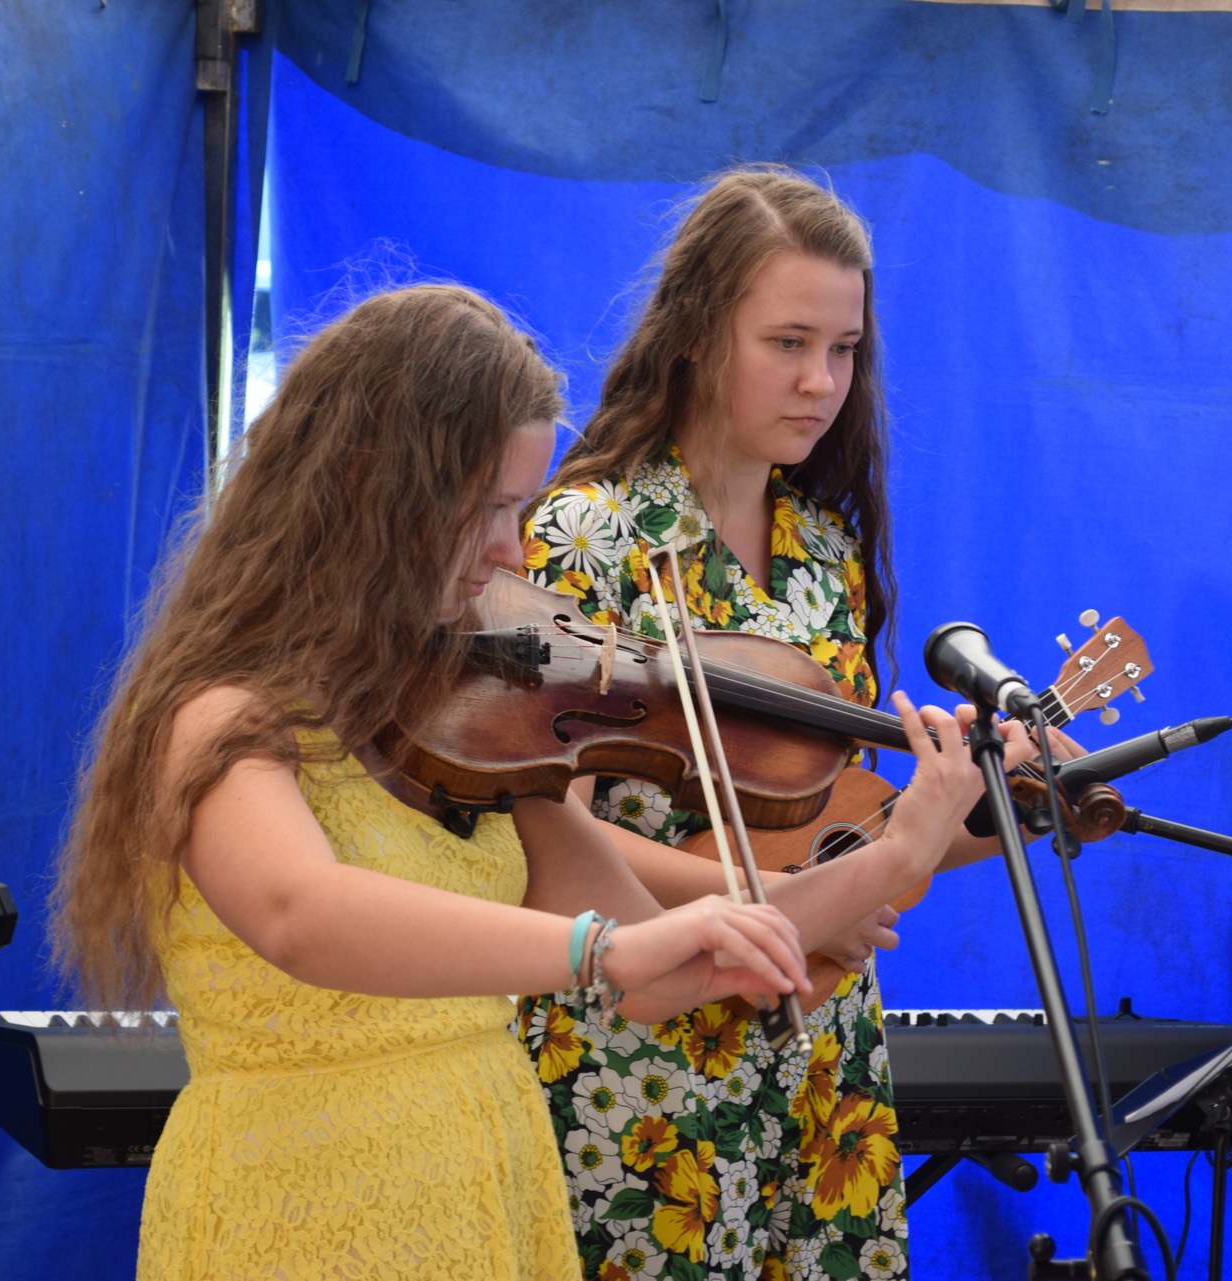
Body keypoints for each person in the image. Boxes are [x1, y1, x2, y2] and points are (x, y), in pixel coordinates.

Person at [48, 285, 992, 1280]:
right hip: (296, 1204)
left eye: (522, 508)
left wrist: (901, 848)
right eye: (492, 508)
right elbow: (300, 912)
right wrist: (597, 949)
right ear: (375, 491)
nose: (513, 552)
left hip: (484, 1191)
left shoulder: (471, 730)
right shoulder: (223, 715)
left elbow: (672, 971)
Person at [519, 168, 1078, 1280]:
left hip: (819, 1055)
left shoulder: (826, 551)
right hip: (642, 1067)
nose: (822, 381)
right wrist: (771, 905)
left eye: (845, 349)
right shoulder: (589, 534)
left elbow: (830, 833)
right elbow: (544, 842)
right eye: (787, 343)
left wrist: (983, 806)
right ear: (694, 331)